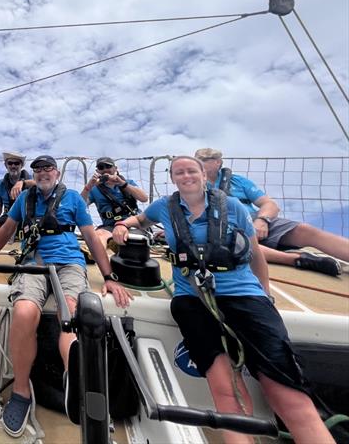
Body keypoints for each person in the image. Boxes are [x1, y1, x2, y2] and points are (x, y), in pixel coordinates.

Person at [113, 155, 334, 444]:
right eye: (179, 172)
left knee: (286, 392)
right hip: (192, 300)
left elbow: (255, 254)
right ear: (173, 178)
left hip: (244, 295)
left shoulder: (231, 206)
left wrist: (265, 295)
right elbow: (141, 219)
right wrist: (120, 225)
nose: (186, 176)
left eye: (192, 170)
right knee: (225, 390)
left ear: (204, 175)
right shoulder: (165, 207)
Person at [0, 155, 132, 437]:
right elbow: (6, 229)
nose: (43, 173)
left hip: (69, 264)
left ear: (56, 172)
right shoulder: (25, 199)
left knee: (70, 312)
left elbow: (91, 238)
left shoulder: (74, 200)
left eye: (48, 169)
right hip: (33, 263)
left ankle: (75, 384)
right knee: (24, 311)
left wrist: (109, 277)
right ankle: (21, 393)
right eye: (38, 169)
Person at [195, 148, 345, 276]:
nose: (200, 161)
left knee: (304, 230)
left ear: (218, 162)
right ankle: (298, 259)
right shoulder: (193, 184)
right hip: (222, 226)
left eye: (205, 159)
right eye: (197, 159)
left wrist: (262, 221)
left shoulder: (238, 181)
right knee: (238, 245)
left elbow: (269, 204)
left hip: (254, 220)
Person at [81, 156, 148, 252]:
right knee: (99, 235)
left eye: (108, 166)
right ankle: (93, 252)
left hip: (131, 222)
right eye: (101, 167)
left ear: (115, 169)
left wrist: (122, 183)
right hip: (109, 226)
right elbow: (80, 205)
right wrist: (88, 187)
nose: (105, 170)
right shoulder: (94, 189)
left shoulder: (128, 183)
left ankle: (118, 245)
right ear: (98, 171)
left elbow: (144, 198)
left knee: (131, 240)